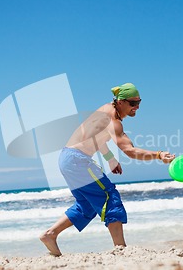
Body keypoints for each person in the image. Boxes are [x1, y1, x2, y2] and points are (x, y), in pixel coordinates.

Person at [40, 83, 175, 256]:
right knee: (109, 196)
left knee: (87, 204)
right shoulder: (114, 121)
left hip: (66, 159)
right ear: (120, 102)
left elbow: (97, 137)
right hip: (77, 161)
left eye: (139, 102)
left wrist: (110, 159)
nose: (137, 107)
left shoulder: (104, 109)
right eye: (133, 103)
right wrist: (158, 154)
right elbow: (130, 151)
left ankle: (50, 234)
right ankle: (120, 249)